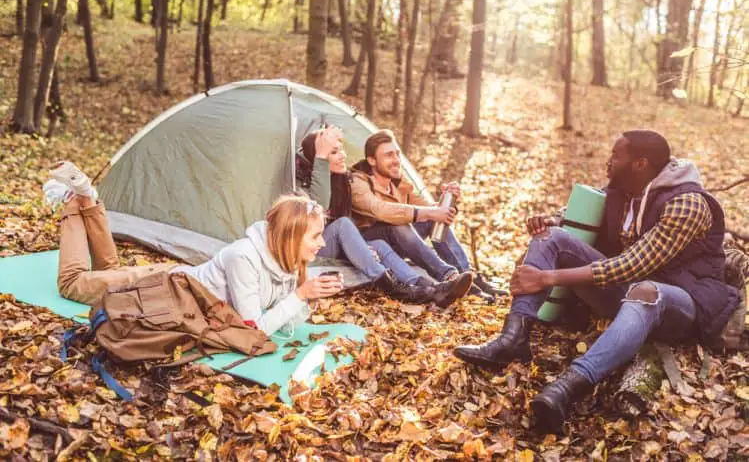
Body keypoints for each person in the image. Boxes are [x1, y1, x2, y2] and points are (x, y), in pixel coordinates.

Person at [453, 130, 739, 433]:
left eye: (616, 156)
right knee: (550, 238)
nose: (609, 161)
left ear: (640, 164)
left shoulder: (687, 204)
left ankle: (569, 387)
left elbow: (632, 265)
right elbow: (587, 210)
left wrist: (548, 277)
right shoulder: (627, 188)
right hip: (628, 293)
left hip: (682, 303)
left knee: (645, 291)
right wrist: (554, 220)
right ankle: (513, 338)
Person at [45, 162, 344, 337]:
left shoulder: (286, 261)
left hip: (175, 289)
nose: (322, 242)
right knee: (72, 283)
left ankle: (91, 202)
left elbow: (282, 325)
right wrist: (300, 295)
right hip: (161, 289)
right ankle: (74, 201)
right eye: (316, 235)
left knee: (108, 273)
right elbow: (253, 329)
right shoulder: (245, 257)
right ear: (290, 237)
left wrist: (307, 298)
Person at [296, 126, 473, 308]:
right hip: (316, 246)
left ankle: (433, 288)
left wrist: (446, 203)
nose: (342, 155)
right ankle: (395, 287)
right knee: (345, 224)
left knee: (379, 244)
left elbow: (427, 209)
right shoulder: (320, 183)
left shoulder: (346, 180)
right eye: (333, 152)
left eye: (341, 149)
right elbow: (321, 207)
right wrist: (321, 159)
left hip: (355, 241)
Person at [349, 129, 506, 302]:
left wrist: (447, 202)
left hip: (398, 242)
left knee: (431, 218)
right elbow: (380, 209)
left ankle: (470, 278)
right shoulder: (358, 181)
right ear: (371, 160)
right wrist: (429, 212)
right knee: (401, 220)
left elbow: (428, 208)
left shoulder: (398, 184)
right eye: (388, 155)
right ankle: (448, 276)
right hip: (370, 244)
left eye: (397, 154)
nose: (396, 160)